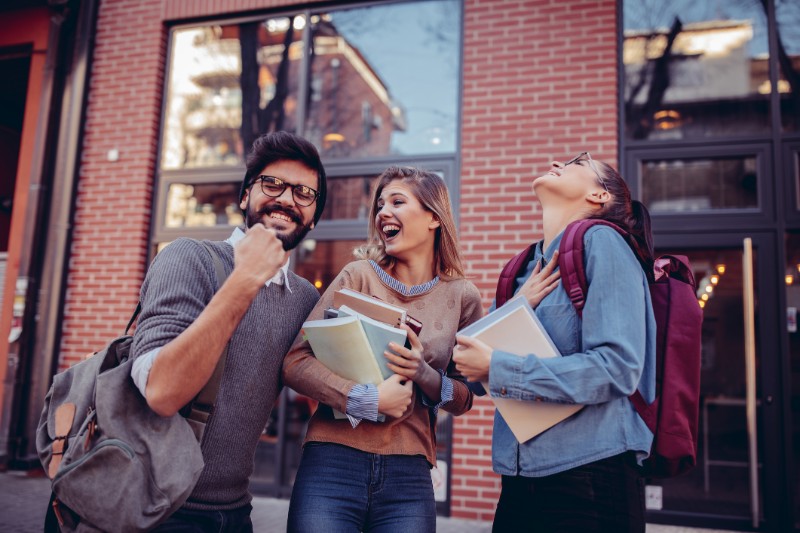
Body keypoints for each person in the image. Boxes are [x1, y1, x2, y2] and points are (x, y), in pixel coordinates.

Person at [130, 131, 327, 531]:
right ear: (244, 197)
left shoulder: (305, 299)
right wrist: (246, 278)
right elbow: (160, 391)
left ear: (313, 216)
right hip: (151, 506)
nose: (288, 199)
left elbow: (321, 397)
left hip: (235, 512)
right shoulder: (190, 258)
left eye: (305, 193)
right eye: (273, 184)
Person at [453, 152, 657, 533]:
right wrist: (517, 306)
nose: (560, 163)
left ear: (598, 196)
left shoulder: (604, 243)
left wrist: (498, 368)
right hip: (519, 481)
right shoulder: (522, 268)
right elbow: (471, 368)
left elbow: (618, 368)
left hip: (591, 478)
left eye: (579, 163)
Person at [283, 166, 483, 532]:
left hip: (409, 473)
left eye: (397, 201)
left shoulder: (462, 297)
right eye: (379, 205)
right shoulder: (357, 277)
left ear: (433, 218)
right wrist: (365, 399)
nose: (382, 213)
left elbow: (466, 396)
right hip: (332, 462)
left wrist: (424, 374)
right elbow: (296, 362)